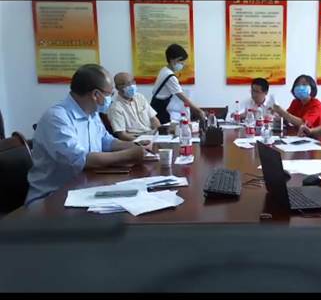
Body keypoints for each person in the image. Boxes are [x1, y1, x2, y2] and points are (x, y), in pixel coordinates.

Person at [25, 64, 147, 205]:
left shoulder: (92, 113)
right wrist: (129, 155)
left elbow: (107, 141)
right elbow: (81, 160)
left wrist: (135, 145)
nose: (111, 98)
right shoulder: (57, 118)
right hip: (51, 198)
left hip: (83, 189)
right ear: (96, 95)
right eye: (110, 94)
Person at [150, 44, 205, 124]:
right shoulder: (170, 76)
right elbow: (182, 97)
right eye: (180, 60)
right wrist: (198, 111)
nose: (182, 64)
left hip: (156, 107)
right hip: (159, 110)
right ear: (172, 60)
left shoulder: (164, 70)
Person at [107, 72, 160, 141]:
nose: (130, 86)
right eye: (124, 84)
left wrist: (160, 132)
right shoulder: (115, 107)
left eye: (132, 82)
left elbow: (154, 119)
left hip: (151, 134)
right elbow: (122, 135)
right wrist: (141, 141)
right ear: (117, 88)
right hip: (134, 138)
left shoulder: (140, 97)